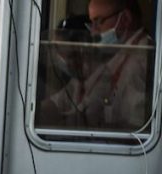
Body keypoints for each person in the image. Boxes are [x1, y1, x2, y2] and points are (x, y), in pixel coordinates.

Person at [40, 0, 154, 132]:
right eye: (91, 24)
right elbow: (83, 105)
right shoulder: (118, 57)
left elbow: (138, 130)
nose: (93, 32)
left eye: (98, 21)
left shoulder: (142, 61)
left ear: (125, 19)